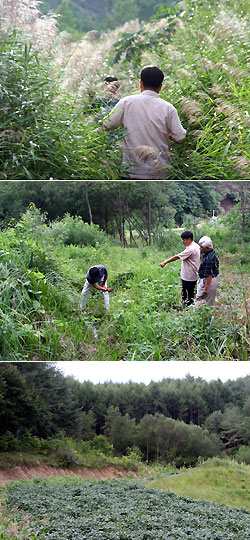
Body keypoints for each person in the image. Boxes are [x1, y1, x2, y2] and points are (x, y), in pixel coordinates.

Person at [103, 66, 186, 179]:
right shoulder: (168, 108)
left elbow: (106, 125)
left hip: (131, 170)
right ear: (160, 87)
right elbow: (180, 138)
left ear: (141, 84)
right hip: (159, 172)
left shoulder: (126, 102)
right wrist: (169, 134)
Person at [159, 230, 200, 306]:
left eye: (184, 240)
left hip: (188, 276)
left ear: (189, 240)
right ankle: (189, 307)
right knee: (190, 293)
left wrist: (165, 262)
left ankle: (187, 308)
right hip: (193, 274)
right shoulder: (196, 245)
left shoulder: (190, 249)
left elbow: (177, 257)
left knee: (186, 294)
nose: (183, 241)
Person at [195, 236, 219, 307]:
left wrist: (206, 288)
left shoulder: (209, 258)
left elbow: (209, 274)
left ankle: (198, 315)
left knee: (201, 299)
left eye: (202, 247)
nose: (200, 248)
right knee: (209, 300)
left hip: (208, 281)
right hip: (210, 280)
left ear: (208, 248)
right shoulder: (212, 253)